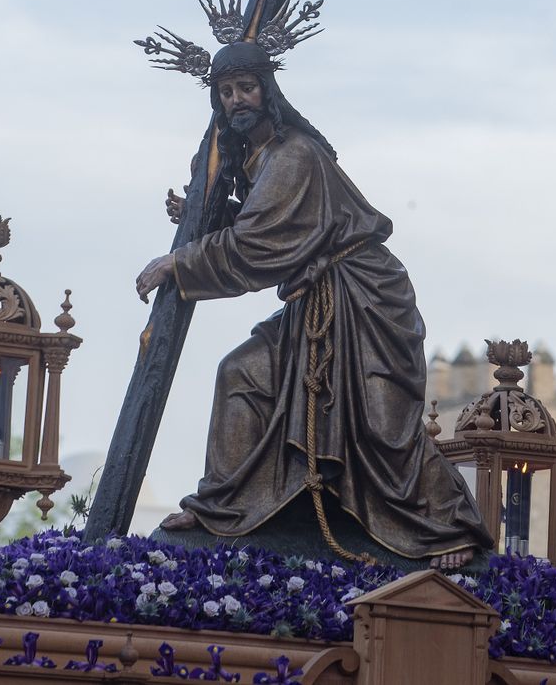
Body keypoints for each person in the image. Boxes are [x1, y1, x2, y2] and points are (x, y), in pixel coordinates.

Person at [135, 40, 489, 570]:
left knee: (379, 425)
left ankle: (448, 527)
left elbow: (262, 244)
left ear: (268, 91)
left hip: (364, 296)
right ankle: (222, 507)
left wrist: (180, 262)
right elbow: (278, 226)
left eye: (246, 87)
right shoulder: (261, 158)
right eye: (226, 91)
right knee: (242, 375)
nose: (236, 100)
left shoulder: (293, 152)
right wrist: (208, 214)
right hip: (317, 298)